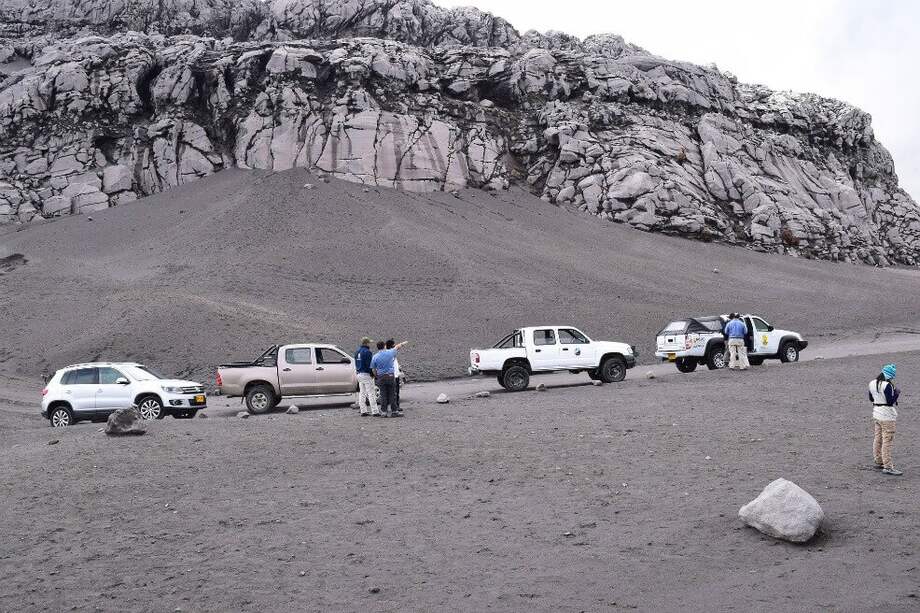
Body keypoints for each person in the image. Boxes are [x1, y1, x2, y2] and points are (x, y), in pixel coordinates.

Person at [869, 363, 902, 476]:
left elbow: (870, 398)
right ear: (891, 376)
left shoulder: (872, 383)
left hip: (876, 414)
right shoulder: (887, 385)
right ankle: (888, 466)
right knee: (887, 440)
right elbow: (890, 401)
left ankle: (879, 461)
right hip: (887, 416)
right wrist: (897, 393)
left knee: (878, 438)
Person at [371, 339, 408, 417]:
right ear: (384, 346)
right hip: (390, 376)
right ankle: (394, 411)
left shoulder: (375, 357)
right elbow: (397, 347)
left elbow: (373, 369)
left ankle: (384, 412)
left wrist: (377, 376)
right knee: (392, 394)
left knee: (383, 395)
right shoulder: (390, 352)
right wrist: (403, 343)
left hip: (381, 377)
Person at [353, 337, 379, 417]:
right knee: (371, 393)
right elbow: (370, 365)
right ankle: (375, 411)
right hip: (366, 374)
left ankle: (363, 410)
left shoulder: (357, 351)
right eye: (369, 343)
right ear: (366, 343)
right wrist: (373, 374)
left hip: (359, 374)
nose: (370, 344)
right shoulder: (368, 352)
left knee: (362, 393)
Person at [386, 339, 402, 413]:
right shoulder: (390, 352)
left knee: (395, 392)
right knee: (394, 392)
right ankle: (395, 407)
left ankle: (395, 406)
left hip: (394, 374)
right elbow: (398, 347)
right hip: (393, 375)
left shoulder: (388, 352)